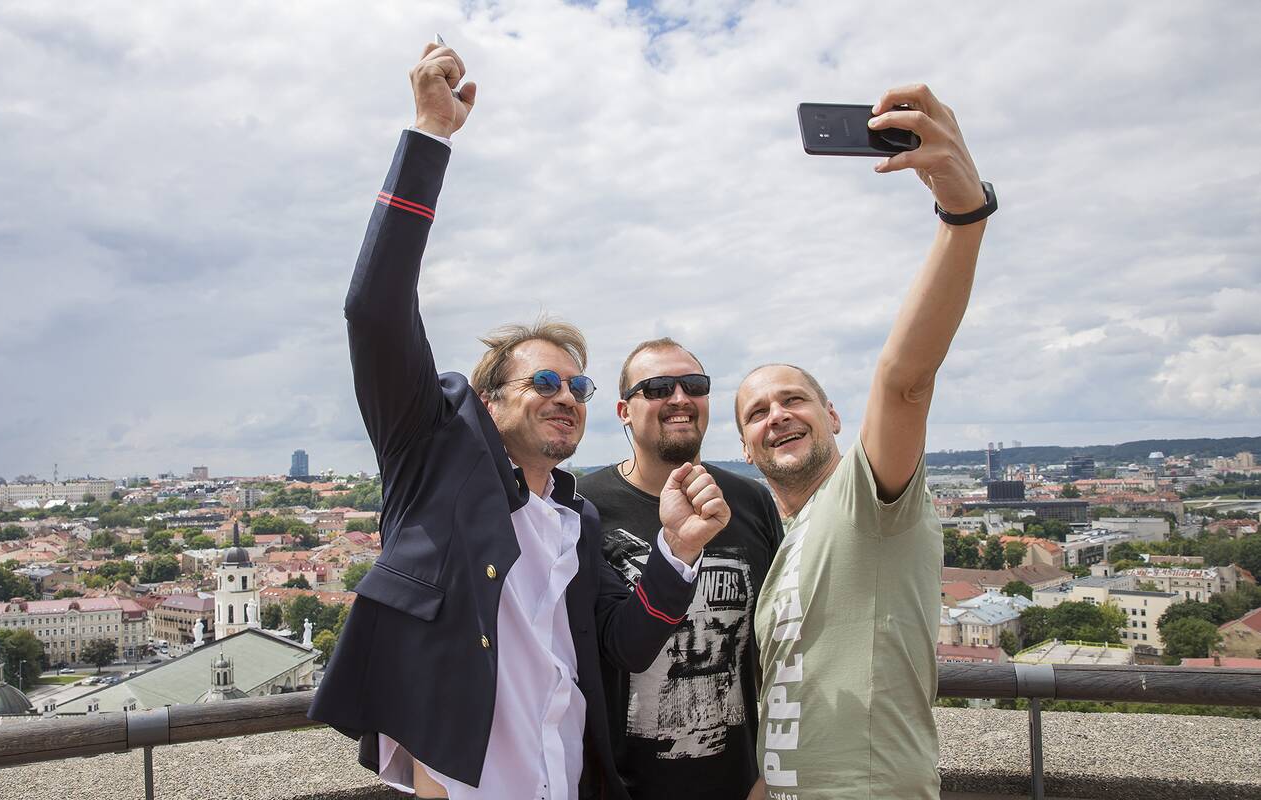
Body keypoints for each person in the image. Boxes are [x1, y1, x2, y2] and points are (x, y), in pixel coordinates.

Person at [306, 42, 733, 800]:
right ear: (490, 400)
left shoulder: (579, 520)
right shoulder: (432, 462)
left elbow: (625, 645)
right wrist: (429, 137)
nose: (566, 396)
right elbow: (373, 310)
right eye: (542, 381)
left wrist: (678, 551)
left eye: (578, 386)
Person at [739, 85, 995, 800]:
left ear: (833, 417)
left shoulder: (866, 499)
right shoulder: (790, 541)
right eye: (757, 412)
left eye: (794, 400)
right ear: (745, 445)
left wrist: (962, 217)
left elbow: (904, 382)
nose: (777, 416)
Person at [577, 339, 781, 800]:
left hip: (739, 785)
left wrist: (769, 771)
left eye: (694, 385)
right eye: (657, 388)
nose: (680, 398)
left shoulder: (750, 501)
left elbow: (777, 644)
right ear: (624, 411)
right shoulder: (585, 510)